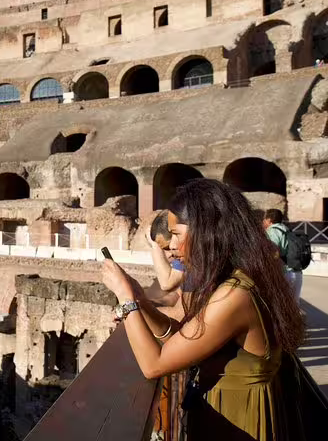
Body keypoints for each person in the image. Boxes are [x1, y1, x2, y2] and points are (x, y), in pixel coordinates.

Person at [101, 179, 307, 440]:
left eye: (177, 235)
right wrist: (140, 301)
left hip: (238, 419)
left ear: (207, 231)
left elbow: (154, 365)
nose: (172, 248)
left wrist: (124, 296)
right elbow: (184, 337)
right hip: (230, 407)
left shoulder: (235, 295)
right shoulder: (235, 279)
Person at [263, 209, 303, 302]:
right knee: (294, 307)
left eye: (264, 219)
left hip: (285, 274)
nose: (263, 221)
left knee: (280, 306)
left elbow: (274, 252)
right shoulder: (287, 229)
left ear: (269, 220)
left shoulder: (272, 231)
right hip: (297, 272)